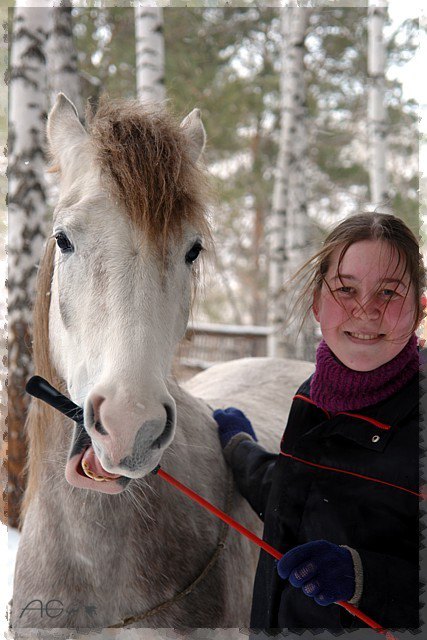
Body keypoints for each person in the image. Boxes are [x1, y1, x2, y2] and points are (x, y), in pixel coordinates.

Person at [213, 212, 424, 632]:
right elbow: (298, 500)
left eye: (388, 292)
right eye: (346, 289)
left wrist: (363, 577)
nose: (365, 311)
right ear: (316, 303)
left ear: (419, 308)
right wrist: (240, 449)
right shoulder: (312, 396)